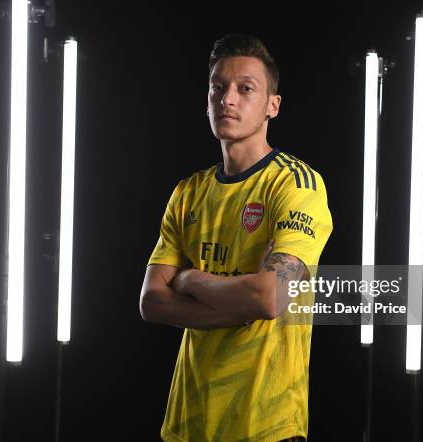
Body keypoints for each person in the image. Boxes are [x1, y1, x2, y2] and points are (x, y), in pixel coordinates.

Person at [139, 33, 333, 442]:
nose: (227, 99)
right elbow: (152, 301)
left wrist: (190, 280)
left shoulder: (295, 184)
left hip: (264, 425)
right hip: (186, 423)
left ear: (271, 106)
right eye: (217, 87)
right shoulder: (188, 192)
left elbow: (269, 297)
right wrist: (237, 307)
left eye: (246, 89)